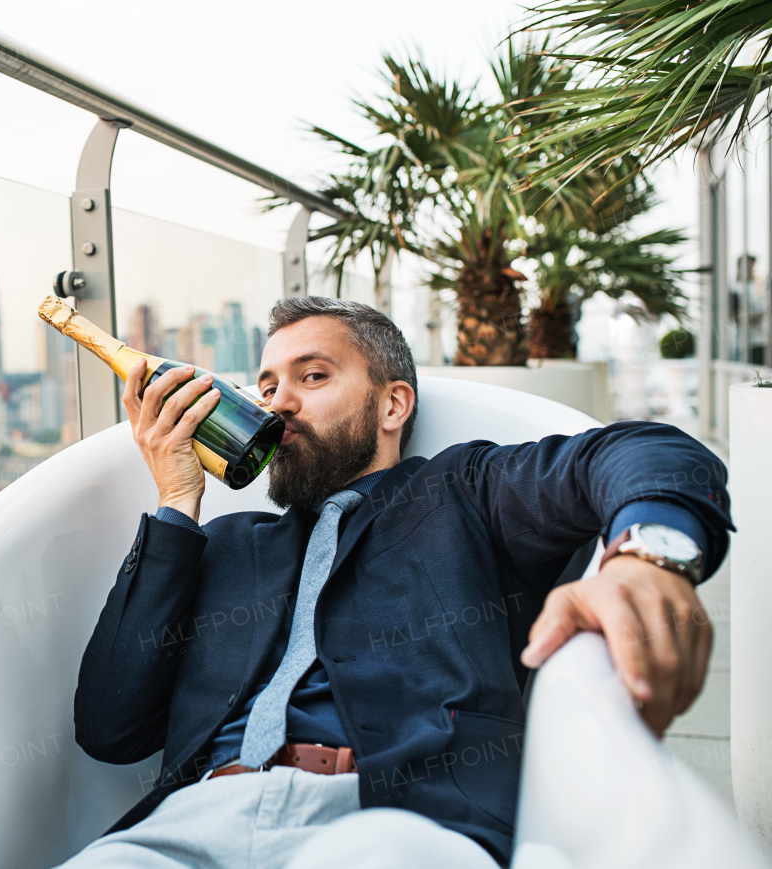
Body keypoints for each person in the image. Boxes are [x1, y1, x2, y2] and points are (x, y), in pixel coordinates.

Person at [62, 298, 731, 869]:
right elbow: (110, 726)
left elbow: (641, 451)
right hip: (188, 828)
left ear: (392, 404)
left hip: (396, 823)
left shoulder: (463, 492)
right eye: (265, 388)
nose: (278, 403)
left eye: (313, 375)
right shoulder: (224, 548)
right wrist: (177, 501)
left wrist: (650, 557)